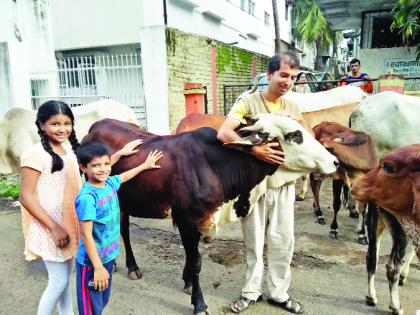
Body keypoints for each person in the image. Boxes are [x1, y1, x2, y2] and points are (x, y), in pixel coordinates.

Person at [19, 100, 142, 315]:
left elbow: (95, 166)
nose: (62, 129)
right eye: (55, 124)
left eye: (67, 123)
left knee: (64, 281)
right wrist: (54, 228)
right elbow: (26, 197)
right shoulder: (35, 154)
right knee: (58, 282)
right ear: (41, 125)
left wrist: (120, 153)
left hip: (73, 222)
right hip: (52, 225)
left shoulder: (69, 150)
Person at [218, 51, 313, 314]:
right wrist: (255, 150)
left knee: (283, 240)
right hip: (254, 186)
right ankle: (251, 291)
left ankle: (279, 293)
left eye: (293, 77)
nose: (288, 81)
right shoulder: (248, 101)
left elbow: (310, 140)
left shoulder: (293, 106)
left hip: (284, 185)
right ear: (269, 74)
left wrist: (300, 123)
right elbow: (224, 132)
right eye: (283, 75)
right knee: (254, 240)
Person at [75, 140, 163, 315]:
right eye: (96, 166)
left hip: (108, 256)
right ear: (83, 168)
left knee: (102, 300)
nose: (103, 169)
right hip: (92, 262)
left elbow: (124, 176)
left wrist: (144, 165)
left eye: (107, 164)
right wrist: (97, 267)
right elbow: (86, 235)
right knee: (90, 307)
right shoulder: (87, 197)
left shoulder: (109, 184)